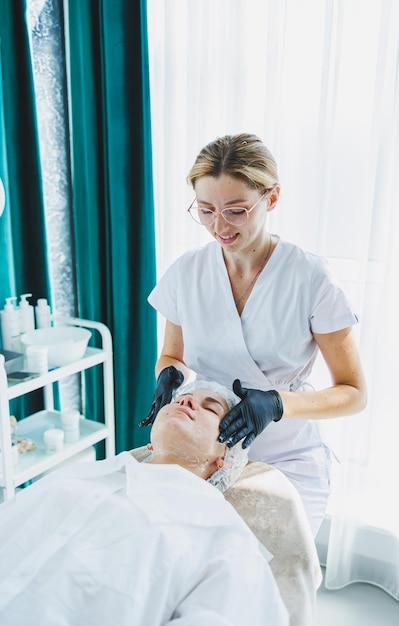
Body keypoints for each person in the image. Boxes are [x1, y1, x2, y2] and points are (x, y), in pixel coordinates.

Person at [144, 132, 367, 536]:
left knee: (270, 579)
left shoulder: (311, 278)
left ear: (272, 198)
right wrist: (168, 375)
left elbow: (354, 393)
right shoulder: (187, 272)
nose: (218, 226)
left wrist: (277, 404)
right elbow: (171, 355)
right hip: (204, 453)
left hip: (286, 456)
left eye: (235, 211)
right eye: (206, 210)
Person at [0, 380, 289, 626]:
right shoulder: (77, 477)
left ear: (223, 459)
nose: (186, 400)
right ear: (150, 442)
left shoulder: (223, 538)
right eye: (181, 398)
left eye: (210, 408)